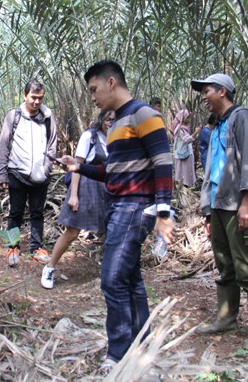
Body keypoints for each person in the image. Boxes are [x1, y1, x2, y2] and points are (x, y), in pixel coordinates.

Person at [59, 60, 174, 373]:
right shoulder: (119, 122)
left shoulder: (144, 114)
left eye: (94, 89)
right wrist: (77, 166)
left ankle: (119, 353)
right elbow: (112, 171)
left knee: (111, 279)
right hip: (118, 206)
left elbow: (163, 163)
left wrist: (164, 212)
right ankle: (142, 341)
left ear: (112, 83)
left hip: (134, 207)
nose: (92, 96)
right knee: (129, 278)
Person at [191, 73, 248, 351]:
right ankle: (226, 319)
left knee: (247, 267)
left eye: (206, 90)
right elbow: (211, 170)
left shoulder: (243, 118)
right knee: (226, 266)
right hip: (219, 205)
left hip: (239, 206)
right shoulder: (217, 126)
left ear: (222, 91)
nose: (203, 96)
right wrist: (208, 211)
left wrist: (247, 202)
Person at [40, 110, 114, 289]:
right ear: (101, 118)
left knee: (111, 230)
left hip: (107, 189)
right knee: (72, 232)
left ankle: (111, 272)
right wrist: (74, 195)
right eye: (108, 119)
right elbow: (76, 167)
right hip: (85, 187)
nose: (110, 122)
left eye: (114, 119)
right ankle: (49, 268)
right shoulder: (89, 136)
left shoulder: (117, 138)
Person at [0, 78, 58, 266]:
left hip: (41, 175)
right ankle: (12, 247)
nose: (37, 102)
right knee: (15, 211)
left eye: (40, 98)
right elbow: (4, 145)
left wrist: (47, 168)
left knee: (37, 212)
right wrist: (2, 173)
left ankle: (36, 248)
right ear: (25, 95)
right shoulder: (13, 116)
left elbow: (52, 144)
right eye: (33, 97)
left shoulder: (48, 116)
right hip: (17, 172)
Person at [172, 109, 200, 188]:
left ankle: (187, 187)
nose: (189, 120)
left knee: (187, 172)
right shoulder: (180, 129)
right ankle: (184, 188)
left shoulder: (184, 128)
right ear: (182, 118)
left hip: (186, 154)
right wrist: (196, 132)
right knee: (184, 173)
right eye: (187, 118)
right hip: (183, 155)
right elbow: (187, 140)